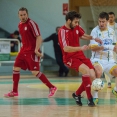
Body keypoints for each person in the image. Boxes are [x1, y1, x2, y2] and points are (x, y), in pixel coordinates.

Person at [4, 7, 57, 98]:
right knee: (16, 68)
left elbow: (39, 37)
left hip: (32, 51)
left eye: (24, 14)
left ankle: (52, 87)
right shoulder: (20, 24)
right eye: (21, 15)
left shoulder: (32, 23)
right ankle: (14, 91)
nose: (23, 16)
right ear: (18, 16)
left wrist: (36, 49)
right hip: (23, 50)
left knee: (35, 72)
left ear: (27, 14)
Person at [58, 11, 102, 107]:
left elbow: (82, 35)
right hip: (70, 57)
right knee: (86, 71)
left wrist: (94, 38)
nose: (77, 24)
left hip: (80, 55)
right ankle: (90, 99)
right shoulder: (62, 31)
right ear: (69, 20)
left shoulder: (76, 26)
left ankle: (77, 94)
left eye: (78, 22)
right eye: (75, 22)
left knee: (92, 76)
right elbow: (66, 48)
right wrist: (80, 48)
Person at [90, 12, 117, 105]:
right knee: (97, 72)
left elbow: (115, 46)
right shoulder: (94, 31)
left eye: (103, 22)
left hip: (110, 60)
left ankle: (116, 90)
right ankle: (95, 96)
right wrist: (108, 47)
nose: (101, 23)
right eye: (100, 21)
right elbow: (93, 48)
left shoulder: (112, 32)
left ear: (108, 21)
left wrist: (114, 48)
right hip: (97, 59)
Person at [104, 12, 117, 88]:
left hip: (115, 47)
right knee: (106, 64)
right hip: (107, 48)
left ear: (114, 17)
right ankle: (108, 82)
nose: (111, 18)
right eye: (109, 17)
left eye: (112, 17)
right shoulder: (105, 26)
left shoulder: (116, 26)